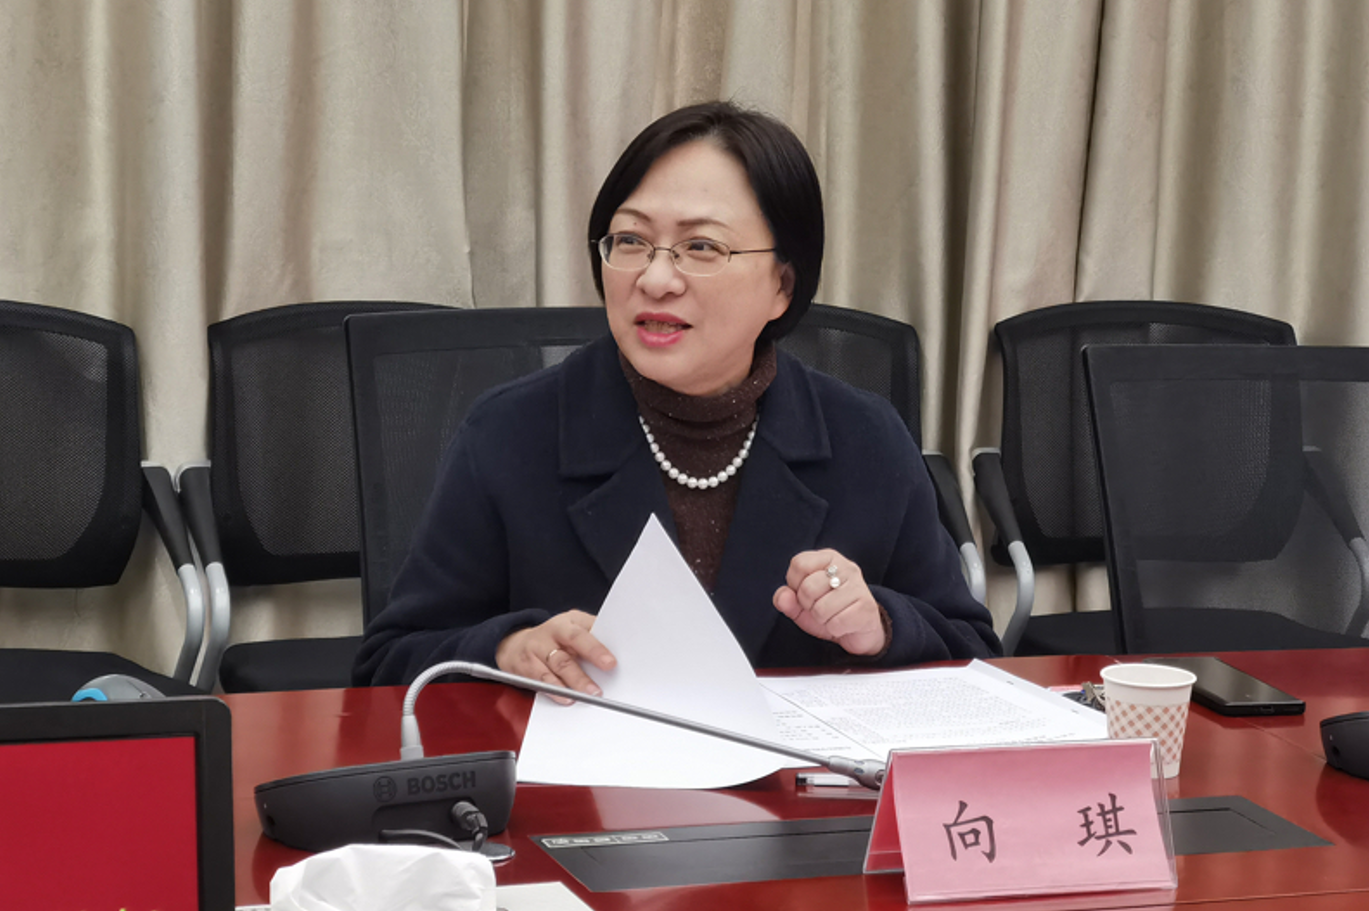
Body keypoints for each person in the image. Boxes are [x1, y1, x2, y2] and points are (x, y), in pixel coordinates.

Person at [353, 101, 1001, 692]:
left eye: (701, 247)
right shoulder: (510, 432)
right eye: (631, 241)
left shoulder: (865, 437)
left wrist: (880, 624)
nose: (655, 278)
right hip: (586, 778)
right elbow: (389, 664)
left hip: (802, 783)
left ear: (782, 286)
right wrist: (505, 649)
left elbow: (973, 651)